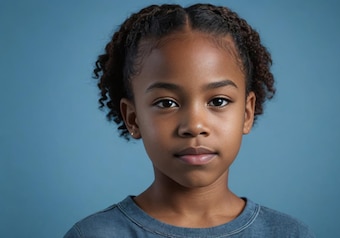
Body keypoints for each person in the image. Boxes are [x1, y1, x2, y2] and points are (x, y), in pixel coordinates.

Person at [64, 3, 313, 237]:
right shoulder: (95, 234)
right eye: (166, 103)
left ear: (247, 113)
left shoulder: (288, 233)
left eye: (218, 101)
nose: (194, 126)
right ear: (133, 118)